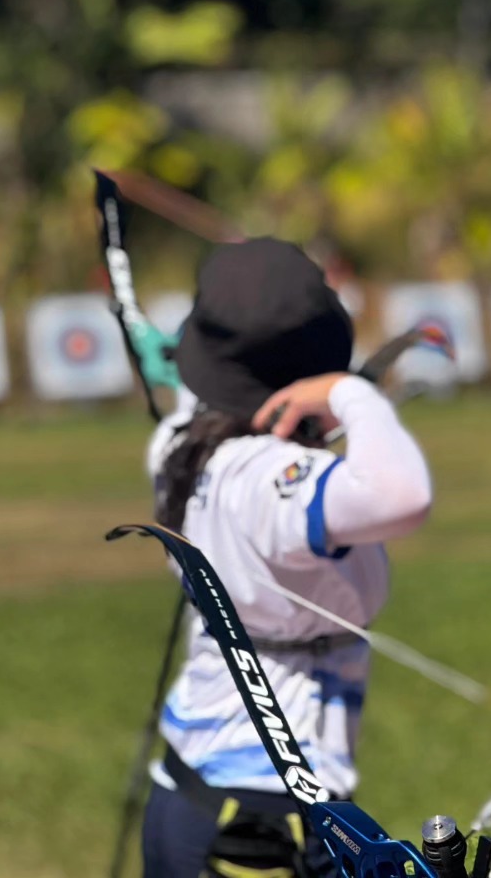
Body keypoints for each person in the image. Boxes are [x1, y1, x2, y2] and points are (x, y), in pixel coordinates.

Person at [141, 237, 434, 878]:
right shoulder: (274, 482)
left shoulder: (174, 444)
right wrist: (352, 398)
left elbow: (212, 395)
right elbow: (405, 495)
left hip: (186, 793)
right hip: (272, 817)